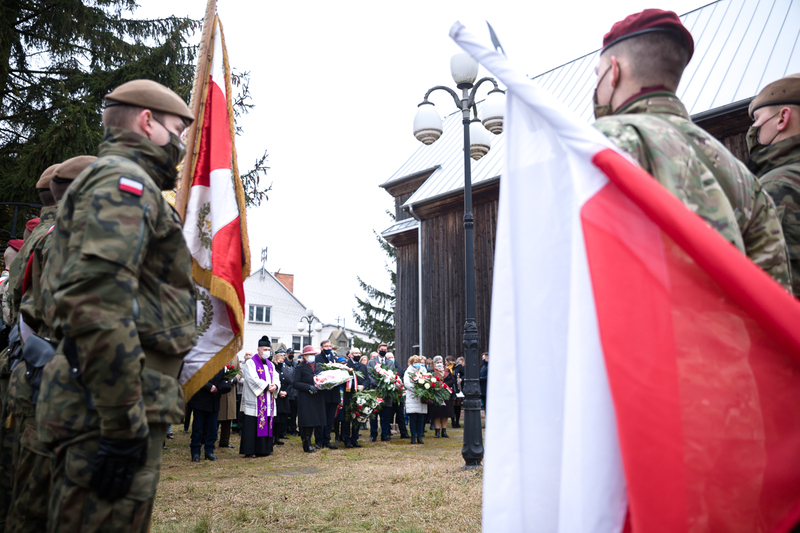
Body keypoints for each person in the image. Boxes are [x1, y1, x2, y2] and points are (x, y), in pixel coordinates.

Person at [36, 79, 197, 532]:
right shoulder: (123, 185)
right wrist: (124, 425)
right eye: (177, 131)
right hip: (106, 415)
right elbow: (99, 306)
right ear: (148, 122)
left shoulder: (122, 183)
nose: (182, 145)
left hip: (103, 407)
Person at [592, 9, 791, 290]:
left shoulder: (604, 144)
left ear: (614, 71)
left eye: (597, 73)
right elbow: (773, 294)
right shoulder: (744, 178)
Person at [5, 156, 96, 533]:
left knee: (20, 488)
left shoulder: (33, 239)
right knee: (40, 502)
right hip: (54, 378)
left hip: (27, 371)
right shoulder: (64, 236)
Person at [747, 74, 800, 297]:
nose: (753, 129)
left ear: (781, 119)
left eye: (757, 119)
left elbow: (768, 289)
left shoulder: (775, 187)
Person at [240, 339, 280, 458]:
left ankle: (265, 449)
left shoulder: (271, 364)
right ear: (258, 350)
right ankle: (250, 450)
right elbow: (252, 379)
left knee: (266, 423)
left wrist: (276, 386)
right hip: (256, 400)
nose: (267, 352)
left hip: (268, 400)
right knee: (252, 425)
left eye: (268, 350)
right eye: (265, 350)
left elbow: (276, 378)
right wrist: (267, 386)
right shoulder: (250, 363)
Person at [188, 369, 232, 462]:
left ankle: (209, 451)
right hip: (200, 401)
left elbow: (221, 379)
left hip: (214, 402)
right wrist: (208, 386)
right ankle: (195, 452)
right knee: (197, 428)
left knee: (212, 429)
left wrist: (224, 385)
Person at [293, 345, 326, 453]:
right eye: (310, 355)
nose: (312, 356)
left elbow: (321, 378)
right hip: (306, 398)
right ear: (305, 356)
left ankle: (312, 441)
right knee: (307, 421)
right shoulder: (300, 367)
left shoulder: (318, 366)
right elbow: (295, 383)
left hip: (317, 397)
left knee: (315, 421)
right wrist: (308, 387)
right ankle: (307, 443)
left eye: (313, 354)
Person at [314, 340, 340, 449]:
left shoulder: (334, 359)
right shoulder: (317, 359)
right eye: (326, 346)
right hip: (323, 394)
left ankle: (327, 440)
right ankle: (319, 441)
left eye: (329, 346)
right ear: (321, 347)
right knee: (321, 419)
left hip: (334, 394)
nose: (328, 347)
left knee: (330, 419)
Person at [341, 348, 370, 448]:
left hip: (360, 394)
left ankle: (354, 439)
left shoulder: (363, 366)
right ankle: (346, 439)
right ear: (351, 355)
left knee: (357, 416)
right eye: (355, 353)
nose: (358, 355)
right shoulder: (346, 366)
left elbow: (367, 379)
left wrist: (363, 386)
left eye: (359, 353)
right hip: (349, 394)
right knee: (347, 418)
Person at [427, 356, 455, 438]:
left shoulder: (448, 371)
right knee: (437, 413)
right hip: (437, 394)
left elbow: (452, 380)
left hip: (446, 394)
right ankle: (437, 431)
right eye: (437, 362)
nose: (439, 364)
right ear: (434, 363)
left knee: (445, 413)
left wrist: (446, 385)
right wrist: (437, 385)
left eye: (440, 362)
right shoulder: (432, 371)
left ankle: (444, 431)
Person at [404, 356, 428, 444]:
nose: (417, 364)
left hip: (421, 398)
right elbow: (407, 383)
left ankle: (419, 436)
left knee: (421, 418)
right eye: (415, 362)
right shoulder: (408, 371)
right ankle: (413, 436)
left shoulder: (423, 370)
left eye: (418, 362)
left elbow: (427, 379)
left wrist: (423, 389)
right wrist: (417, 390)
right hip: (412, 397)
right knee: (413, 419)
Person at [217, 356, 240, 450]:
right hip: (220, 389)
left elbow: (239, 371)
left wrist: (235, 379)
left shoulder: (235, 357)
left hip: (231, 389)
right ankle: (209, 439)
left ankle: (224, 441)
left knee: (228, 417)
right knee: (217, 416)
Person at [272, 350, 292, 445]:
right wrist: (279, 391)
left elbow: (289, 382)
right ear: (275, 360)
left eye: (282, 361)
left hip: (284, 397)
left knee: (282, 418)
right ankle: (271, 437)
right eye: (279, 360)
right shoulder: (272, 369)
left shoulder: (285, 369)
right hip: (276, 397)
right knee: (275, 418)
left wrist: (286, 392)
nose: (281, 362)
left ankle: (277, 437)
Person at [284, 348, 298, 436]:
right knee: (286, 413)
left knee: (293, 413)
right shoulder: (284, 364)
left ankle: (293, 429)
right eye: (290, 353)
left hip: (294, 392)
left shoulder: (296, 364)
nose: (291, 354)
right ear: (286, 354)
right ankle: (285, 428)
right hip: (286, 391)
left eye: (293, 353)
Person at [451, 356, 465, 428]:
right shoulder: (450, 368)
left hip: (458, 387)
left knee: (458, 406)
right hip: (452, 387)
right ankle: (453, 421)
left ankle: (457, 421)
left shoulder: (459, 367)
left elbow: (464, 374)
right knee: (453, 405)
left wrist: (461, 379)